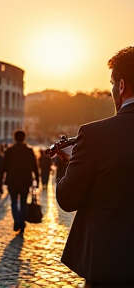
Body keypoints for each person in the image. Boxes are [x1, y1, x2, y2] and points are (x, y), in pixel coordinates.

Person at [56, 46, 134, 287]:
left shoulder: (94, 135)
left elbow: (68, 200)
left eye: (112, 84)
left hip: (110, 264)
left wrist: (73, 162)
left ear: (121, 86)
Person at [2, 130, 39, 234]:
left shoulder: (9, 151)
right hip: (25, 180)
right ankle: (21, 221)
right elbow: (35, 167)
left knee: (14, 202)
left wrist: (2, 180)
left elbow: (3, 167)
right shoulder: (29, 151)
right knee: (23, 202)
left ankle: (17, 221)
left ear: (14, 138)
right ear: (24, 138)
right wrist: (37, 180)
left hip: (12, 180)